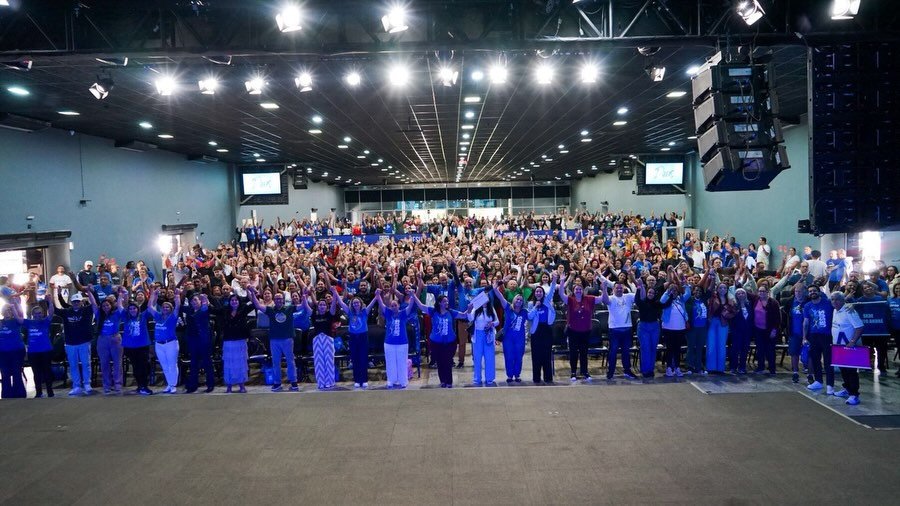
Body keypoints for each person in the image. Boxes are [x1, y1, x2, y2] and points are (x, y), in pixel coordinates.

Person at [410, 294, 469, 388]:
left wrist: (469, 308)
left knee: (448, 362)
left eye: (447, 301)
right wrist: (413, 295)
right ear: (439, 303)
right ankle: (443, 381)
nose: (447, 303)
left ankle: (449, 381)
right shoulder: (433, 311)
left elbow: (464, 315)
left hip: (450, 343)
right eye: (444, 301)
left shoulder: (451, 312)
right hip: (436, 343)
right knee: (440, 362)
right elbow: (421, 305)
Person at [250, 287, 300, 392]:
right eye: (276, 299)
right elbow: (257, 305)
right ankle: (277, 383)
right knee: (275, 362)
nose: (278, 300)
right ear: (274, 300)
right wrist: (252, 293)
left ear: (283, 300)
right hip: (274, 340)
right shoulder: (270, 310)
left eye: (280, 298)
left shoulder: (289, 308)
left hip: (287, 339)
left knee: (290, 361)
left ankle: (294, 382)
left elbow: (303, 306)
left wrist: (305, 295)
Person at [558, 272, 604, 381]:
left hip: (585, 331)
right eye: (576, 289)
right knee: (573, 353)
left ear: (583, 290)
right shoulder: (570, 299)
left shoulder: (589, 298)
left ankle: (585, 372)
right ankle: (573, 372)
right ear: (573, 291)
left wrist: (604, 287)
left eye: (580, 289)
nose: (578, 291)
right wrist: (562, 281)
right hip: (573, 331)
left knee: (584, 353)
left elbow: (601, 298)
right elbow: (560, 293)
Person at [331, 285, 378, 389]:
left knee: (363, 359)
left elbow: (372, 303)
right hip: (353, 337)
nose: (356, 304)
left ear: (361, 304)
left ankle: (364, 380)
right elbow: (342, 303)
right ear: (352, 304)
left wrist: (377, 296)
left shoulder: (364, 312)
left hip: (363, 337)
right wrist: (335, 293)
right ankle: (357, 380)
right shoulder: (350, 312)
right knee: (355, 359)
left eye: (357, 302)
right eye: (354, 303)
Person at [598, 271, 638, 380]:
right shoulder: (611, 298)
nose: (619, 289)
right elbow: (605, 300)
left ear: (623, 287)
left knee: (626, 351)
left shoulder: (629, 296)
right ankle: (611, 371)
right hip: (614, 329)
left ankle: (627, 370)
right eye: (617, 288)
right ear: (613, 289)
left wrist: (635, 281)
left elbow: (640, 295)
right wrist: (604, 288)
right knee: (613, 351)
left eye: (620, 287)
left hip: (627, 328)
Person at [57, 289, 98, 395]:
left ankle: (87, 384)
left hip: (84, 342)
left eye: (78, 301)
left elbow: (94, 303)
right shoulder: (66, 312)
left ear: (81, 302)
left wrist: (90, 293)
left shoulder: (86, 311)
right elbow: (55, 310)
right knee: (73, 364)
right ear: (71, 302)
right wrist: (56, 295)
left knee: (86, 364)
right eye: (74, 301)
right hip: (70, 343)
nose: (76, 303)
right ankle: (76, 386)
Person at [375, 288, 416, 389]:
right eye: (392, 305)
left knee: (402, 362)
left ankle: (403, 381)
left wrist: (412, 295)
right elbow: (381, 304)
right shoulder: (388, 313)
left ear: (398, 306)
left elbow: (410, 305)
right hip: (389, 343)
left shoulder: (403, 313)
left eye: (395, 305)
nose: (393, 307)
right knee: (390, 362)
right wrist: (378, 295)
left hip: (402, 342)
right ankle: (391, 380)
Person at [830, 291, 864, 405]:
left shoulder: (850, 311)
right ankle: (847, 389)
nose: (834, 302)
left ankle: (854, 395)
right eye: (833, 299)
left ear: (843, 300)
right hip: (838, 347)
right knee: (843, 370)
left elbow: (859, 327)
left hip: (848, 347)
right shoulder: (835, 310)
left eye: (837, 299)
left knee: (851, 371)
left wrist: (853, 341)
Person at [147, 287, 181, 394]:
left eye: (168, 307)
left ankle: (173, 385)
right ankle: (169, 384)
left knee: (172, 364)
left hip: (170, 343)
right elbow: (149, 307)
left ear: (170, 309)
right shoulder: (158, 316)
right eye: (164, 307)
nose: (165, 308)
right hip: (159, 344)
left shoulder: (173, 317)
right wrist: (153, 294)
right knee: (164, 365)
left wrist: (177, 296)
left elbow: (178, 306)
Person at [493, 280, 528, 383]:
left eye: (521, 300)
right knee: (508, 356)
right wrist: (495, 288)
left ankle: (517, 375)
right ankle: (509, 375)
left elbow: (533, 316)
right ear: (514, 300)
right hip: (508, 337)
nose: (519, 301)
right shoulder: (508, 307)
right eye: (517, 299)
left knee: (518, 356)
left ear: (523, 302)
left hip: (520, 338)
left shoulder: (524, 312)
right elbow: (500, 297)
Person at [803, 285, 835, 393]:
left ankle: (830, 384)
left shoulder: (828, 303)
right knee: (815, 359)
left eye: (814, 291)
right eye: (810, 291)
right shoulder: (807, 306)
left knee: (828, 361)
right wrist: (804, 337)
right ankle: (818, 381)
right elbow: (806, 322)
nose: (812, 292)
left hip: (827, 335)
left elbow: (841, 304)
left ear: (819, 292)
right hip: (813, 335)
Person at [219, 293, 253, 393]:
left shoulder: (243, 310)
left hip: (240, 341)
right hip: (228, 341)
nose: (234, 302)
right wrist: (205, 301)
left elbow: (254, 304)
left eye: (236, 300)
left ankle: (242, 385)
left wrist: (250, 291)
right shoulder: (224, 311)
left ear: (239, 302)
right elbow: (213, 310)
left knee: (240, 364)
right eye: (232, 300)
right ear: (229, 302)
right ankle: (229, 386)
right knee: (229, 364)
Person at [660, 268, 691, 377]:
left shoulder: (681, 299)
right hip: (668, 327)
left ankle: (677, 368)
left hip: (680, 328)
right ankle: (669, 368)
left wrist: (684, 282)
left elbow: (688, 292)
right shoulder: (666, 299)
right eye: (672, 290)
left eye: (675, 290)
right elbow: (661, 300)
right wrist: (668, 291)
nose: (674, 291)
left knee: (677, 349)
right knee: (669, 348)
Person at [183, 292, 215, 393]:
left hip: (203, 339)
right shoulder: (188, 310)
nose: (194, 302)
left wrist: (205, 297)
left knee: (207, 362)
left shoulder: (204, 309)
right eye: (192, 300)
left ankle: (210, 384)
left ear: (200, 301)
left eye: (196, 300)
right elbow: (178, 305)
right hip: (192, 339)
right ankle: (193, 385)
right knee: (194, 363)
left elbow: (205, 306)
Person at [96, 288, 126, 394]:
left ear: (111, 305)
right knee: (104, 364)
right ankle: (107, 385)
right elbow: (93, 304)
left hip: (115, 339)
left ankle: (118, 384)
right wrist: (89, 292)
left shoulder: (116, 313)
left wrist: (121, 294)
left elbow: (121, 305)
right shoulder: (99, 315)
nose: (105, 307)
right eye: (103, 306)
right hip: (102, 340)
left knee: (117, 363)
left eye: (107, 305)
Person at [527, 280, 557, 384]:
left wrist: (554, 280)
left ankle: (548, 377)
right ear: (534, 293)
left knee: (546, 355)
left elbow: (552, 290)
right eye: (537, 292)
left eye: (540, 292)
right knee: (536, 355)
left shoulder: (547, 301)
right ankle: (536, 378)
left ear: (543, 293)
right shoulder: (531, 304)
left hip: (547, 330)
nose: (538, 293)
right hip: (536, 331)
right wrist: (535, 307)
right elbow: (529, 316)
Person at [122, 300, 153, 395]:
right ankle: (140, 386)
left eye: (134, 308)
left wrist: (153, 293)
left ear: (138, 309)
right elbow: (119, 306)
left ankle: (144, 385)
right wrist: (121, 295)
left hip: (142, 346)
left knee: (144, 367)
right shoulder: (126, 317)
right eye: (130, 309)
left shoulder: (143, 316)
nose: (132, 310)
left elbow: (151, 305)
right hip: (130, 347)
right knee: (135, 367)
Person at [24, 300, 55, 397]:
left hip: (46, 351)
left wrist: (50, 302)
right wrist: (15, 304)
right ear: (32, 314)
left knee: (47, 371)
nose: (38, 315)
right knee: (36, 373)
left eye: (40, 313)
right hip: (33, 352)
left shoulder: (46, 321)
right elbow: (19, 318)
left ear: (42, 313)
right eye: (36, 313)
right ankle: (39, 392)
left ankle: (50, 392)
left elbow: (51, 313)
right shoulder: (28, 322)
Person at [467, 295, 499, 386]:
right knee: (477, 358)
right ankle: (477, 378)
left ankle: (490, 378)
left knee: (489, 357)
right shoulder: (476, 309)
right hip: (478, 335)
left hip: (489, 335)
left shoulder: (491, 309)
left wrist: (492, 323)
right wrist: (469, 310)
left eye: (486, 299)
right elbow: (470, 318)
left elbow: (497, 321)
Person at [750, 286, 782, 375]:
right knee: (760, 350)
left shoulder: (774, 303)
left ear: (767, 292)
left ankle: (772, 369)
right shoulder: (756, 300)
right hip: (758, 330)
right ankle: (761, 367)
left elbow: (778, 318)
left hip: (770, 330)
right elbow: (744, 290)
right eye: (760, 291)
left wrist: (774, 330)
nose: (761, 293)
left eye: (763, 291)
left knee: (770, 350)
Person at [635, 276, 662, 378]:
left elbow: (666, 302)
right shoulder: (642, 302)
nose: (650, 294)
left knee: (652, 348)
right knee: (645, 348)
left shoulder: (657, 303)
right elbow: (637, 299)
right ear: (646, 293)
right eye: (649, 292)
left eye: (652, 293)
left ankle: (651, 369)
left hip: (655, 326)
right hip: (643, 327)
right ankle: (645, 370)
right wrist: (638, 288)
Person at [309, 294, 337, 390]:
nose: (322, 306)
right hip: (317, 340)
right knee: (319, 362)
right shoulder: (314, 315)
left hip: (328, 339)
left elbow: (333, 305)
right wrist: (304, 296)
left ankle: (330, 381)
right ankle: (321, 382)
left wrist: (334, 293)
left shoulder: (330, 314)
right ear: (318, 307)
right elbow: (305, 306)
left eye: (324, 305)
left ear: (326, 307)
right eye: (320, 305)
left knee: (329, 361)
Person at [0, 296, 26, 398]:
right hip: (2, 353)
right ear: (2, 312)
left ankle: (19, 394)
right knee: (5, 374)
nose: (8, 312)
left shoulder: (16, 321)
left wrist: (15, 304)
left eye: (9, 310)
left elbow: (21, 315)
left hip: (16, 351)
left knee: (16, 372)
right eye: (6, 311)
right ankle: (6, 395)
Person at [706, 281, 734, 375]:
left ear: (727, 290)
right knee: (711, 344)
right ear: (717, 289)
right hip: (713, 322)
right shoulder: (713, 298)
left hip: (724, 323)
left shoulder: (730, 300)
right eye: (720, 288)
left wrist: (727, 314)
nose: (722, 289)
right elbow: (709, 289)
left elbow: (734, 312)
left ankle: (720, 368)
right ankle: (711, 367)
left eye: (724, 288)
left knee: (722, 345)